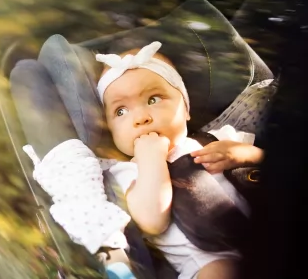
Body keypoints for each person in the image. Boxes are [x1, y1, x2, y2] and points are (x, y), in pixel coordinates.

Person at [28, 41, 267, 279]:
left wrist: (245, 154)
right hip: (207, 262)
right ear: (111, 130)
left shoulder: (219, 137)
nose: (141, 118)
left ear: (185, 108)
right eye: (121, 111)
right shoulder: (126, 172)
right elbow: (153, 221)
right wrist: (151, 157)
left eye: (153, 99)